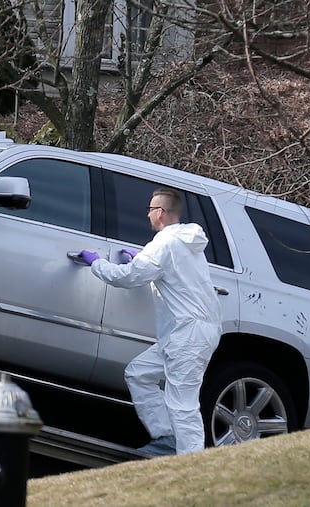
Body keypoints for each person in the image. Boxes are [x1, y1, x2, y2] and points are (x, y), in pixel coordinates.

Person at [79, 187, 222, 456]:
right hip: (186, 333)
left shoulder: (165, 244)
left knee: (183, 403)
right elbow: (169, 276)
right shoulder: (186, 244)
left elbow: (129, 277)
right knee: (139, 374)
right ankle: (166, 439)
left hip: (187, 335)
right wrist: (141, 261)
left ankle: (191, 463)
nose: (147, 215)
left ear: (160, 212)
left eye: (149, 210)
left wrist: (96, 263)